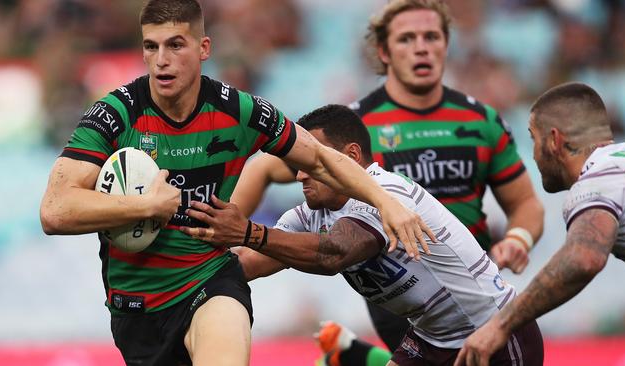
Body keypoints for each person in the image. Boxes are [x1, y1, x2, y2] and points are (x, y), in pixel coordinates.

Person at [38, 1, 435, 365]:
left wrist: (386, 202)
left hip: (208, 281)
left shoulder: (240, 110)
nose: (161, 61)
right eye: (151, 47)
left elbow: (318, 157)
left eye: (176, 45)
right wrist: (147, 206)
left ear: (203, 48)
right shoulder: (115, 114)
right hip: (135, 306)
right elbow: (54, 211)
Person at [230, 0, 544, 361]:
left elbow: (525, 202)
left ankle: (353, 355)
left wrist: (519, 237)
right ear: (384, 51)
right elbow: (265, 169)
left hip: (475, 301)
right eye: (407, 38)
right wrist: (212, 237)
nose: (422, 47)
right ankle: (355, 354)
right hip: (403, 297)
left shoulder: (481, 120)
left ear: (447, 43)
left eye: (432, 36)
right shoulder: (351, 121)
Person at [184, 104, 544, 366]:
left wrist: (248, 231)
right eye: (299, 165)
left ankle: (352, 352)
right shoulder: (311, 213)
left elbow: (335, 253)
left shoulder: (384, 193)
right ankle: (352, 352)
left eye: (313, 164)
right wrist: (172, 263)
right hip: (431, 339)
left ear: (351, 156)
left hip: (495, 331)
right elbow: (245, 262)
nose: (300, 175)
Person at [454, 83, 625, 366]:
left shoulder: (596, 181)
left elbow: (583, 259)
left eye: (533, 139)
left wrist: (500, 325)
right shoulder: (622, 162)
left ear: (554, 140)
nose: (533, 154)